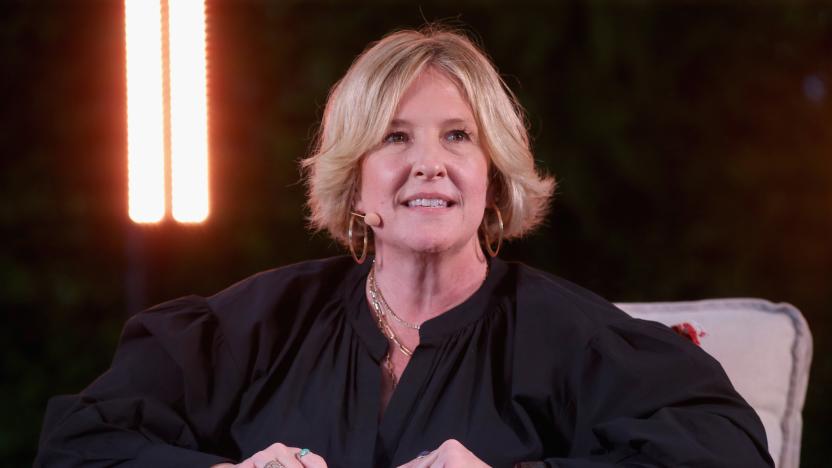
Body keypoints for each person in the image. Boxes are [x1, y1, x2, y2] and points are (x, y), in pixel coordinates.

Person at [36, 26, 773, 468]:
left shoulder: (566, 337)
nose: (430, 163)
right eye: (394, 137)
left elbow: (727, 449)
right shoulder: (260, 324)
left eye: (458, 136)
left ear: (493, 174)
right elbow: (78, 443)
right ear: (354, 184)